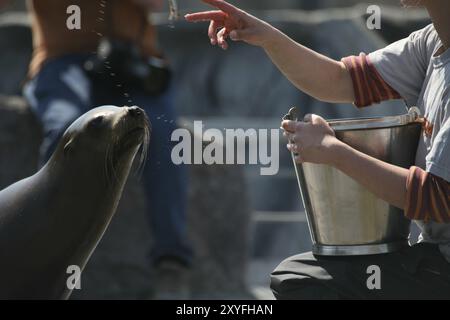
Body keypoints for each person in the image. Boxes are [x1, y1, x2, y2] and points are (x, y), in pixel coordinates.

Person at [186, 0, 450, 299]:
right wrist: (266, 36)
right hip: (435, 255)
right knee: (298, 274)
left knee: (303, 282)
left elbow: (437, 197)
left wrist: (332, 151)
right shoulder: (432, 41)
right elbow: (340, 79)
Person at [12, 0, 192, 299]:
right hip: (63, 61)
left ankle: (171, 264)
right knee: (67, 129)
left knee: (164, 135)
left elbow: (158, 4)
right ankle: (44, 262)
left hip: (132, 63)